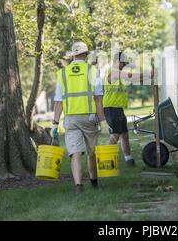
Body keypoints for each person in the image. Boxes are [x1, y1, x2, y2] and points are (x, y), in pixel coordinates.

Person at [51, 42, 110, 194]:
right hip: (89, 118)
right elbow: (98, 98)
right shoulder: (92, 71)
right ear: (85, 54)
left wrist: (54, 124)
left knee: (75, 153)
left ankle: (78, 186)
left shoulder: (63, 73)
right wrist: (103, 120)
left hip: (71, 119)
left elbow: (59, 101)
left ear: (73, 55)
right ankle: (94, 183)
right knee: (91, 153)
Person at [104, 52, 154, 166]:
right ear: (118, 62)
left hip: (118, 108)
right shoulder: (114, 73)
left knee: (124, 134)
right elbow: (131, 76)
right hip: (111, 108)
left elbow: (134, 79)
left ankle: (128, 159)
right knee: (116, 134)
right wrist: (148, 74)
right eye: (123, 63)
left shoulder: (120, 74)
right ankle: (107, 160)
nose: (124, 65)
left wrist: (147, 76)